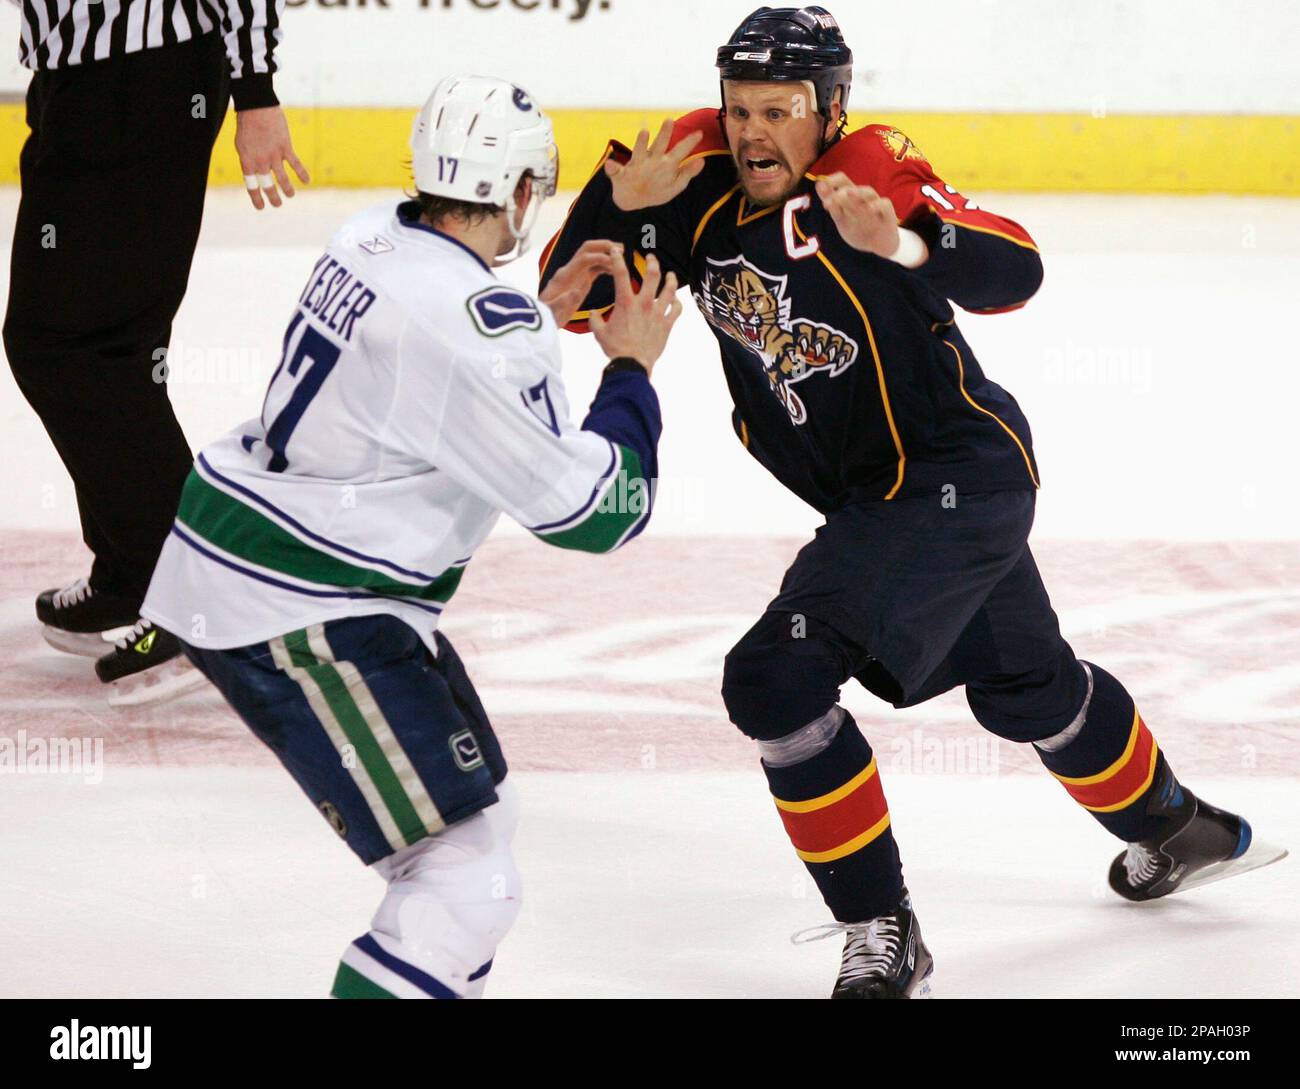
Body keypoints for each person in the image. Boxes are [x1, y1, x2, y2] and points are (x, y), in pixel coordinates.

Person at [538, 4, 1286, 998]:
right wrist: (612, 202)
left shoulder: (872, 165)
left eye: (780, 109)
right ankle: (1177, 827)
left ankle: (883, 929)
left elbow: (1016, 268)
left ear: (830, 108)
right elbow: (569, 299)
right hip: (880, 496)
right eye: (739, 107)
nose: (753, 131)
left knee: (774, 680)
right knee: (1026, 689)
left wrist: (908, 242)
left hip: (951, 477)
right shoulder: (691, 162)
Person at [139, 73, 681, 998]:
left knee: (478, 835)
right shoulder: (483, 332)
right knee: (465, 876)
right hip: (301, 606)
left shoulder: (365, 238)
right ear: (518, 193)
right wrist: (629, 367)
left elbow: (421, 370)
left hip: (263, 563)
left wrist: (541, 314)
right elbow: (593, 514)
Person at [5, 0, 309, 703]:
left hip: (142, 80)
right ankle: (133, 573)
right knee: (106, 347)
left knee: (67, 345)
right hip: (80, 81)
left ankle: (190, 594)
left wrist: (255, 89)